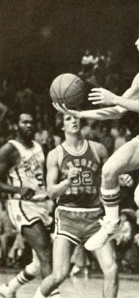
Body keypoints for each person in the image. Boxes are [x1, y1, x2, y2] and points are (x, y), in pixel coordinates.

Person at [55, 18, 139, 274]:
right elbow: (116, 111)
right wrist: (78, 114)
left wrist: (114, 97)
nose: (136, 42)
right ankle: (112, 223)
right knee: (109, 170)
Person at [33, 112, 121, 298]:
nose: (73, 120)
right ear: (61, 125)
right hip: (67, 217)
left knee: (111, 269)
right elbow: (51, 192)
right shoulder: (55, 154)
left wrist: (122, 178)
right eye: (68, 118)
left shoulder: (98, 149)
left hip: (95, 217)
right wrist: (67, 181)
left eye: (75, 117)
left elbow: (110, 176)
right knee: (59, 275)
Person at [0, 111, 59, 298]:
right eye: (24, 122)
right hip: (20, 204)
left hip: (41, 203)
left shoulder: (39, 147)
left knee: (38, 261)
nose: (29, 125)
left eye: (31, 122)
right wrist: (17, 190)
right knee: (45, 252)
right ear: (16, 125)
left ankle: (8, 289)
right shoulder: (9, 149)